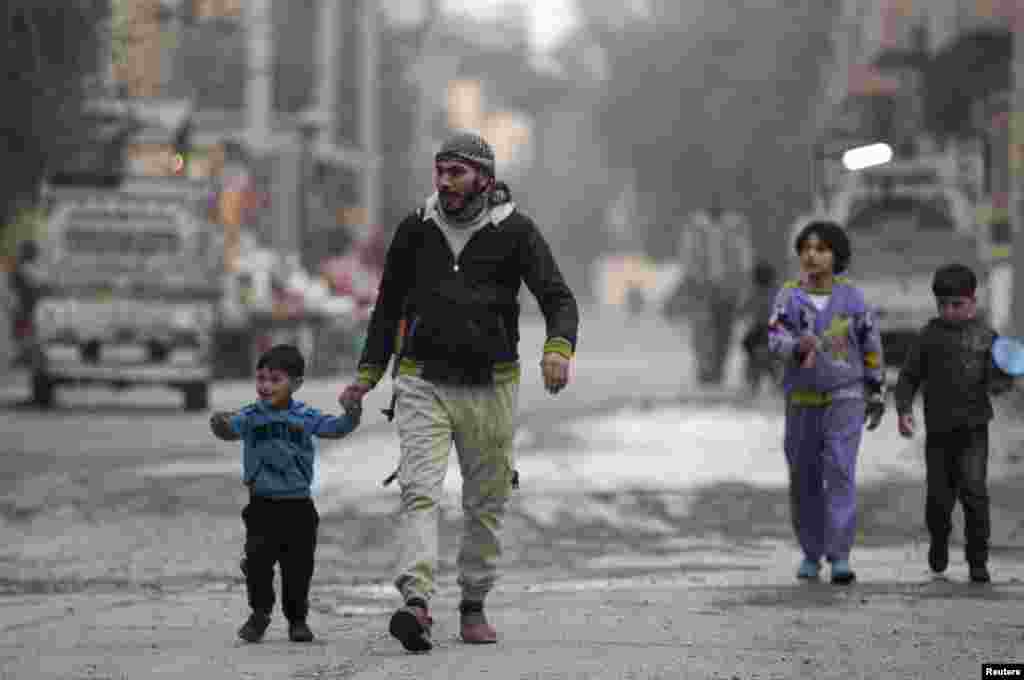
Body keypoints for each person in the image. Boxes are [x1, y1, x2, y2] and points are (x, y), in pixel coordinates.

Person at [338, 131, 578, 652]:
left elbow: (558, 298)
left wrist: (558, 348)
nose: (446, 182)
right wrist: (368, 373)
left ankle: (473, 602)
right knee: (419, 491)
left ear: (484, 179)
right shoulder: (416, 229)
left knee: (486, 501)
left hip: (492, 385)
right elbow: (387, 307)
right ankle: (417, 602)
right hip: (422, 380)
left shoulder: (516, 231)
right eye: (440, 172)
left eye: (457, 172)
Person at [210, 344, 361, 643]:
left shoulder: (305, 416)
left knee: (298, 570)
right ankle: (260, 614)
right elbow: (231, 430)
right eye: (261, 379)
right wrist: (221, 425)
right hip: (262, 506)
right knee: (257, 563)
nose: (266, 386)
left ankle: (297, 620)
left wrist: (352, 412)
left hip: (299, 509)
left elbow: (335, 428)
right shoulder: (250, 416)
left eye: (275, 379)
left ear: (296, 383)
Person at [767, 220, 885, 584]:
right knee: (804, 476)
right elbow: (773, 338)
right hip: (801, 400)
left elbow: (870, 346)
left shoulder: (853, 299)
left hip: (845, 396)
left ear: (837, 256)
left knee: (840, 470)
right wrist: (792, 346)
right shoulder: (788, 297)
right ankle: (810, 553)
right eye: (806, 248)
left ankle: (840, 556)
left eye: (821, 249)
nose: (812, 255)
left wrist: (876, 389)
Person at [894, 263, 1014, 584]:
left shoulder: (987, 338)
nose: (949, 311)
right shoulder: (928, 337)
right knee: (938, 498)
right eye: (942, 305)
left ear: (973, 302)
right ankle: (939, 540)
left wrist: (1006, 379)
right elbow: (908, 377)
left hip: (975, 430)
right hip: (938, 434)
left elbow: (1000, 379)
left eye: (957, 305)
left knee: (975, 494)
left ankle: (978, 560)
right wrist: (904, 409)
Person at [677, 194, 753, 386]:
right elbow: (687, 254)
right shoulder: (695, 226)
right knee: (702, 331)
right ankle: (705, 368)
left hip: (728, 287)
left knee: (724, 330)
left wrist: (742, 282)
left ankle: (718, 368)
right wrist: (691, 279)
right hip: (702, 286)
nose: (715, 205)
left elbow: (744, 256)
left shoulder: (735, 226)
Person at [740, 259, 782, 398]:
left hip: (763, 330)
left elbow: (745, 308)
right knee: (769, 358)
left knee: (757, 356)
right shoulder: (776, 292)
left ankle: (754, 382)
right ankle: (767, 381)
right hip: (773, 331)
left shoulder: (756, 292)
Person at [9, 240, 42, 366]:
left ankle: (25, 355)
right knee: (23, 329)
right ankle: (24, 355)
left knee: (25, 329)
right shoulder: (23, 267)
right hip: (24, 303)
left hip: (26, 304)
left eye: (20, 251)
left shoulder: (24, 267)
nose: (18, 253)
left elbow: (34, 284)